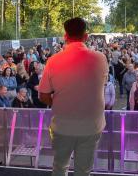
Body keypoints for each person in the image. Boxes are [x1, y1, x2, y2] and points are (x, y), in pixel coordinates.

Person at [38, 17, 108, 176]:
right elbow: (99, 87)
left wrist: (61, 102)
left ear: (65, 36)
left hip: (62, 126)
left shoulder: (53, 60)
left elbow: (43, 96)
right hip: (92, 126)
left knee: (59, 167)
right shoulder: (100, 58)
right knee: (83, 171)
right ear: (86, 36)